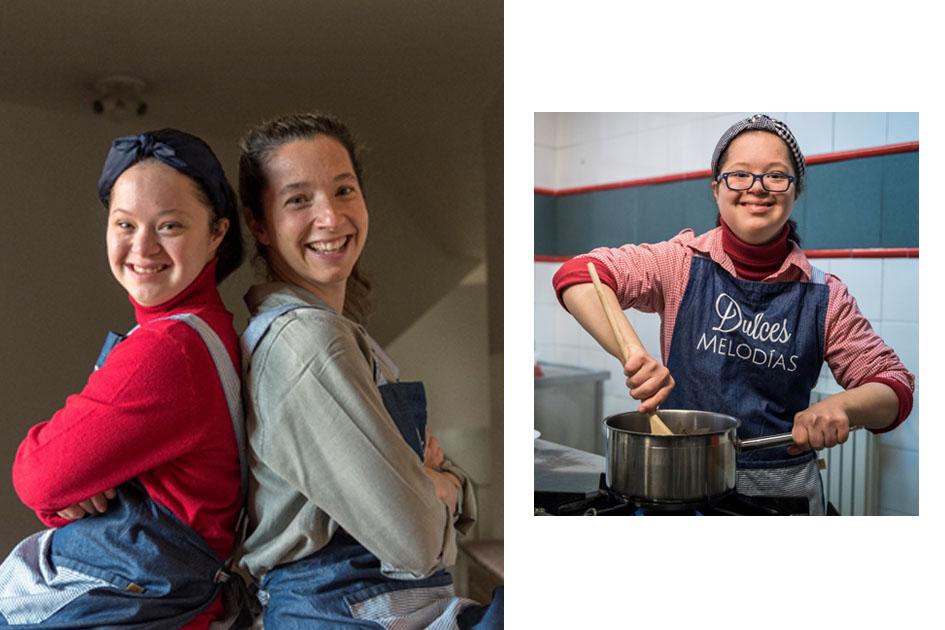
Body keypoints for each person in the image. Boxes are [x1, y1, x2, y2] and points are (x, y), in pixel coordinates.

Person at [553, 114, 914, 514]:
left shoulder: (825, 295)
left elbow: (894, 388)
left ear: (796, 191)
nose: (757, 189)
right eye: (739, 175)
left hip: (783, 497)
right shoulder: (680, 264)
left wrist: (843, 407)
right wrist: (632, 354)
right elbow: (578, 275)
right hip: (684, 491)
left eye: (776, 176)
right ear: (716, 189)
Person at [237, 112, 502, 628]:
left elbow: (438, 496)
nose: (331, 219)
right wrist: (442, 486)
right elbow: (416, 538)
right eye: (298, 200)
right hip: (352, 610)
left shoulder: (338, 334)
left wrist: (437, 484)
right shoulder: (306, 341)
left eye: (343, 190)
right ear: (258, 223)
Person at [0, 129, 249, 628]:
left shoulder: (169, 349)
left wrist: (67, 484)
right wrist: (74, 480)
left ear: (217, 233)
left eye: (170, 226)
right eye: (124, 223)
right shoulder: (209, 330)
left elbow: (36, 475)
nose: (142, 246)